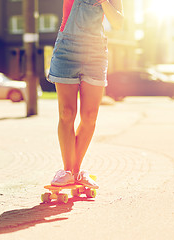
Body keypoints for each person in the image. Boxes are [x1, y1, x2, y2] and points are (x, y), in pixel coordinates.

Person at [47, 0, 124, 188]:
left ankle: (75, 171)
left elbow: (119, 23)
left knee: (89, 117)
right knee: (67, 113)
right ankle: (67, 171)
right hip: (67, 50)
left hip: (95, 53)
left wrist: (104, 2)